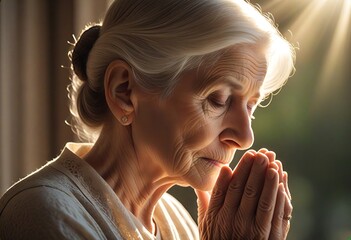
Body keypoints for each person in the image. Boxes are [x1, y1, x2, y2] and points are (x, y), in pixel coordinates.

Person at [0, 0, 295, 239]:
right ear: (124, 91)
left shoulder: (175, 220)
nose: (245, 137)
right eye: (218, 100)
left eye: (251, 107)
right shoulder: (45, 215)